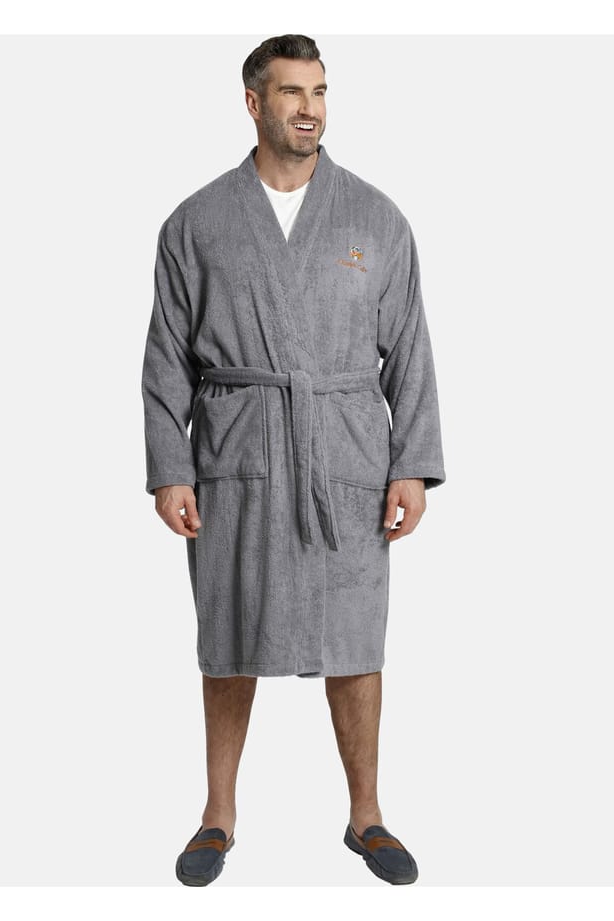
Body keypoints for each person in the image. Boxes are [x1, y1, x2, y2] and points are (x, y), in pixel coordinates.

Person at [141, 34, 446, 887]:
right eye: (291, 93)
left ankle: (366, 814)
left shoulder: (375, 218)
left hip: (346, 456)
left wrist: (412, 463)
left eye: (319, 91)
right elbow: (166, 356)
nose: (310, 109)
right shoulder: (196, 222)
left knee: (355, 635)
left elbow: (411, 351)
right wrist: (171, 466)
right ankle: (218, 813)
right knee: (229, 632)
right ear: (253, 103)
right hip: (236, 453)